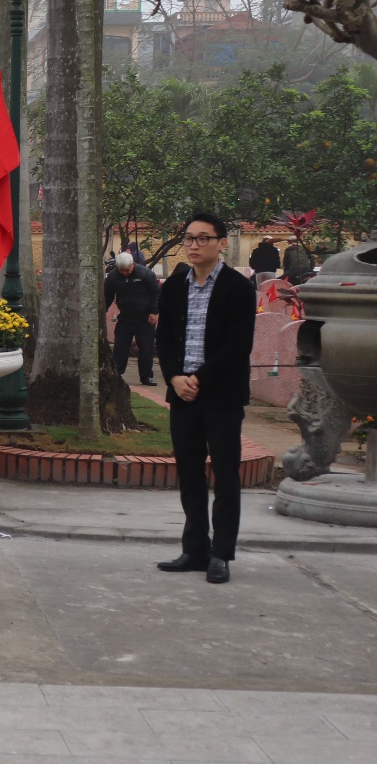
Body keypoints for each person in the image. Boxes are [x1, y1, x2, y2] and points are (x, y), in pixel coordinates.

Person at [155, 212, 256, 585]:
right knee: (189, 474)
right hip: (182, 394)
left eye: (202, 238)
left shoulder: (237, 287)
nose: (194, 245)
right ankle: (195, 548)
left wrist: (197, 378)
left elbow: (237, 346)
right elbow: (163, 338)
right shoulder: (175, 285)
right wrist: (175, 378)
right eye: (189, 238)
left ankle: (221, 554)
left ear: (220, 243)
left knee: (226, 475)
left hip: (222, 396)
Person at [103, 251, 161, 386]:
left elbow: (156, 293)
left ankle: (146, 376)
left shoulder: (145, 274)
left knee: (146, 349)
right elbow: (107, 297)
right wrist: (102, 312)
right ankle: (116, 375)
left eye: (127, 270)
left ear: (133, 264)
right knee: (120, 348)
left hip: (145, 318)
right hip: (125, 318)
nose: (124, 273)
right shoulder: (113, 277)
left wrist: (154, 312)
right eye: (121, 271)